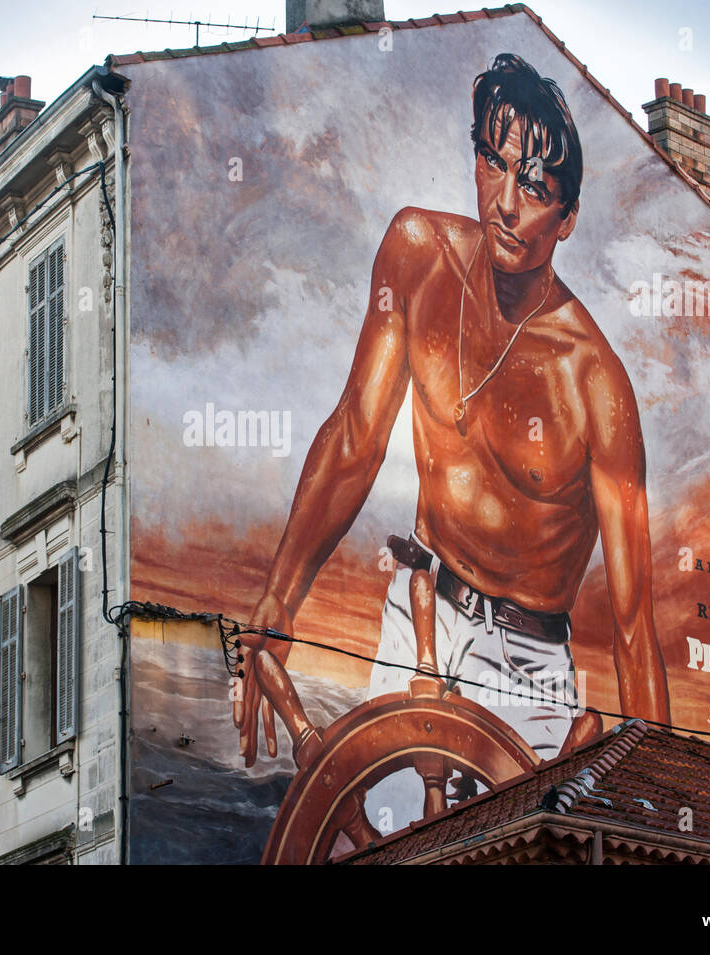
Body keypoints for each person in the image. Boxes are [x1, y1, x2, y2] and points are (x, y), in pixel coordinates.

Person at [234, 54, 671, 798]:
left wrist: (666, 792)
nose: (505, 201)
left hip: (526, 670)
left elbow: (633, 626)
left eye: (534, 186)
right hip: (416, 620)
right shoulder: (416, 256)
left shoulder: (596, 383)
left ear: (566, 218)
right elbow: (354, 439)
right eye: (493, 163)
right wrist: (277, 602)